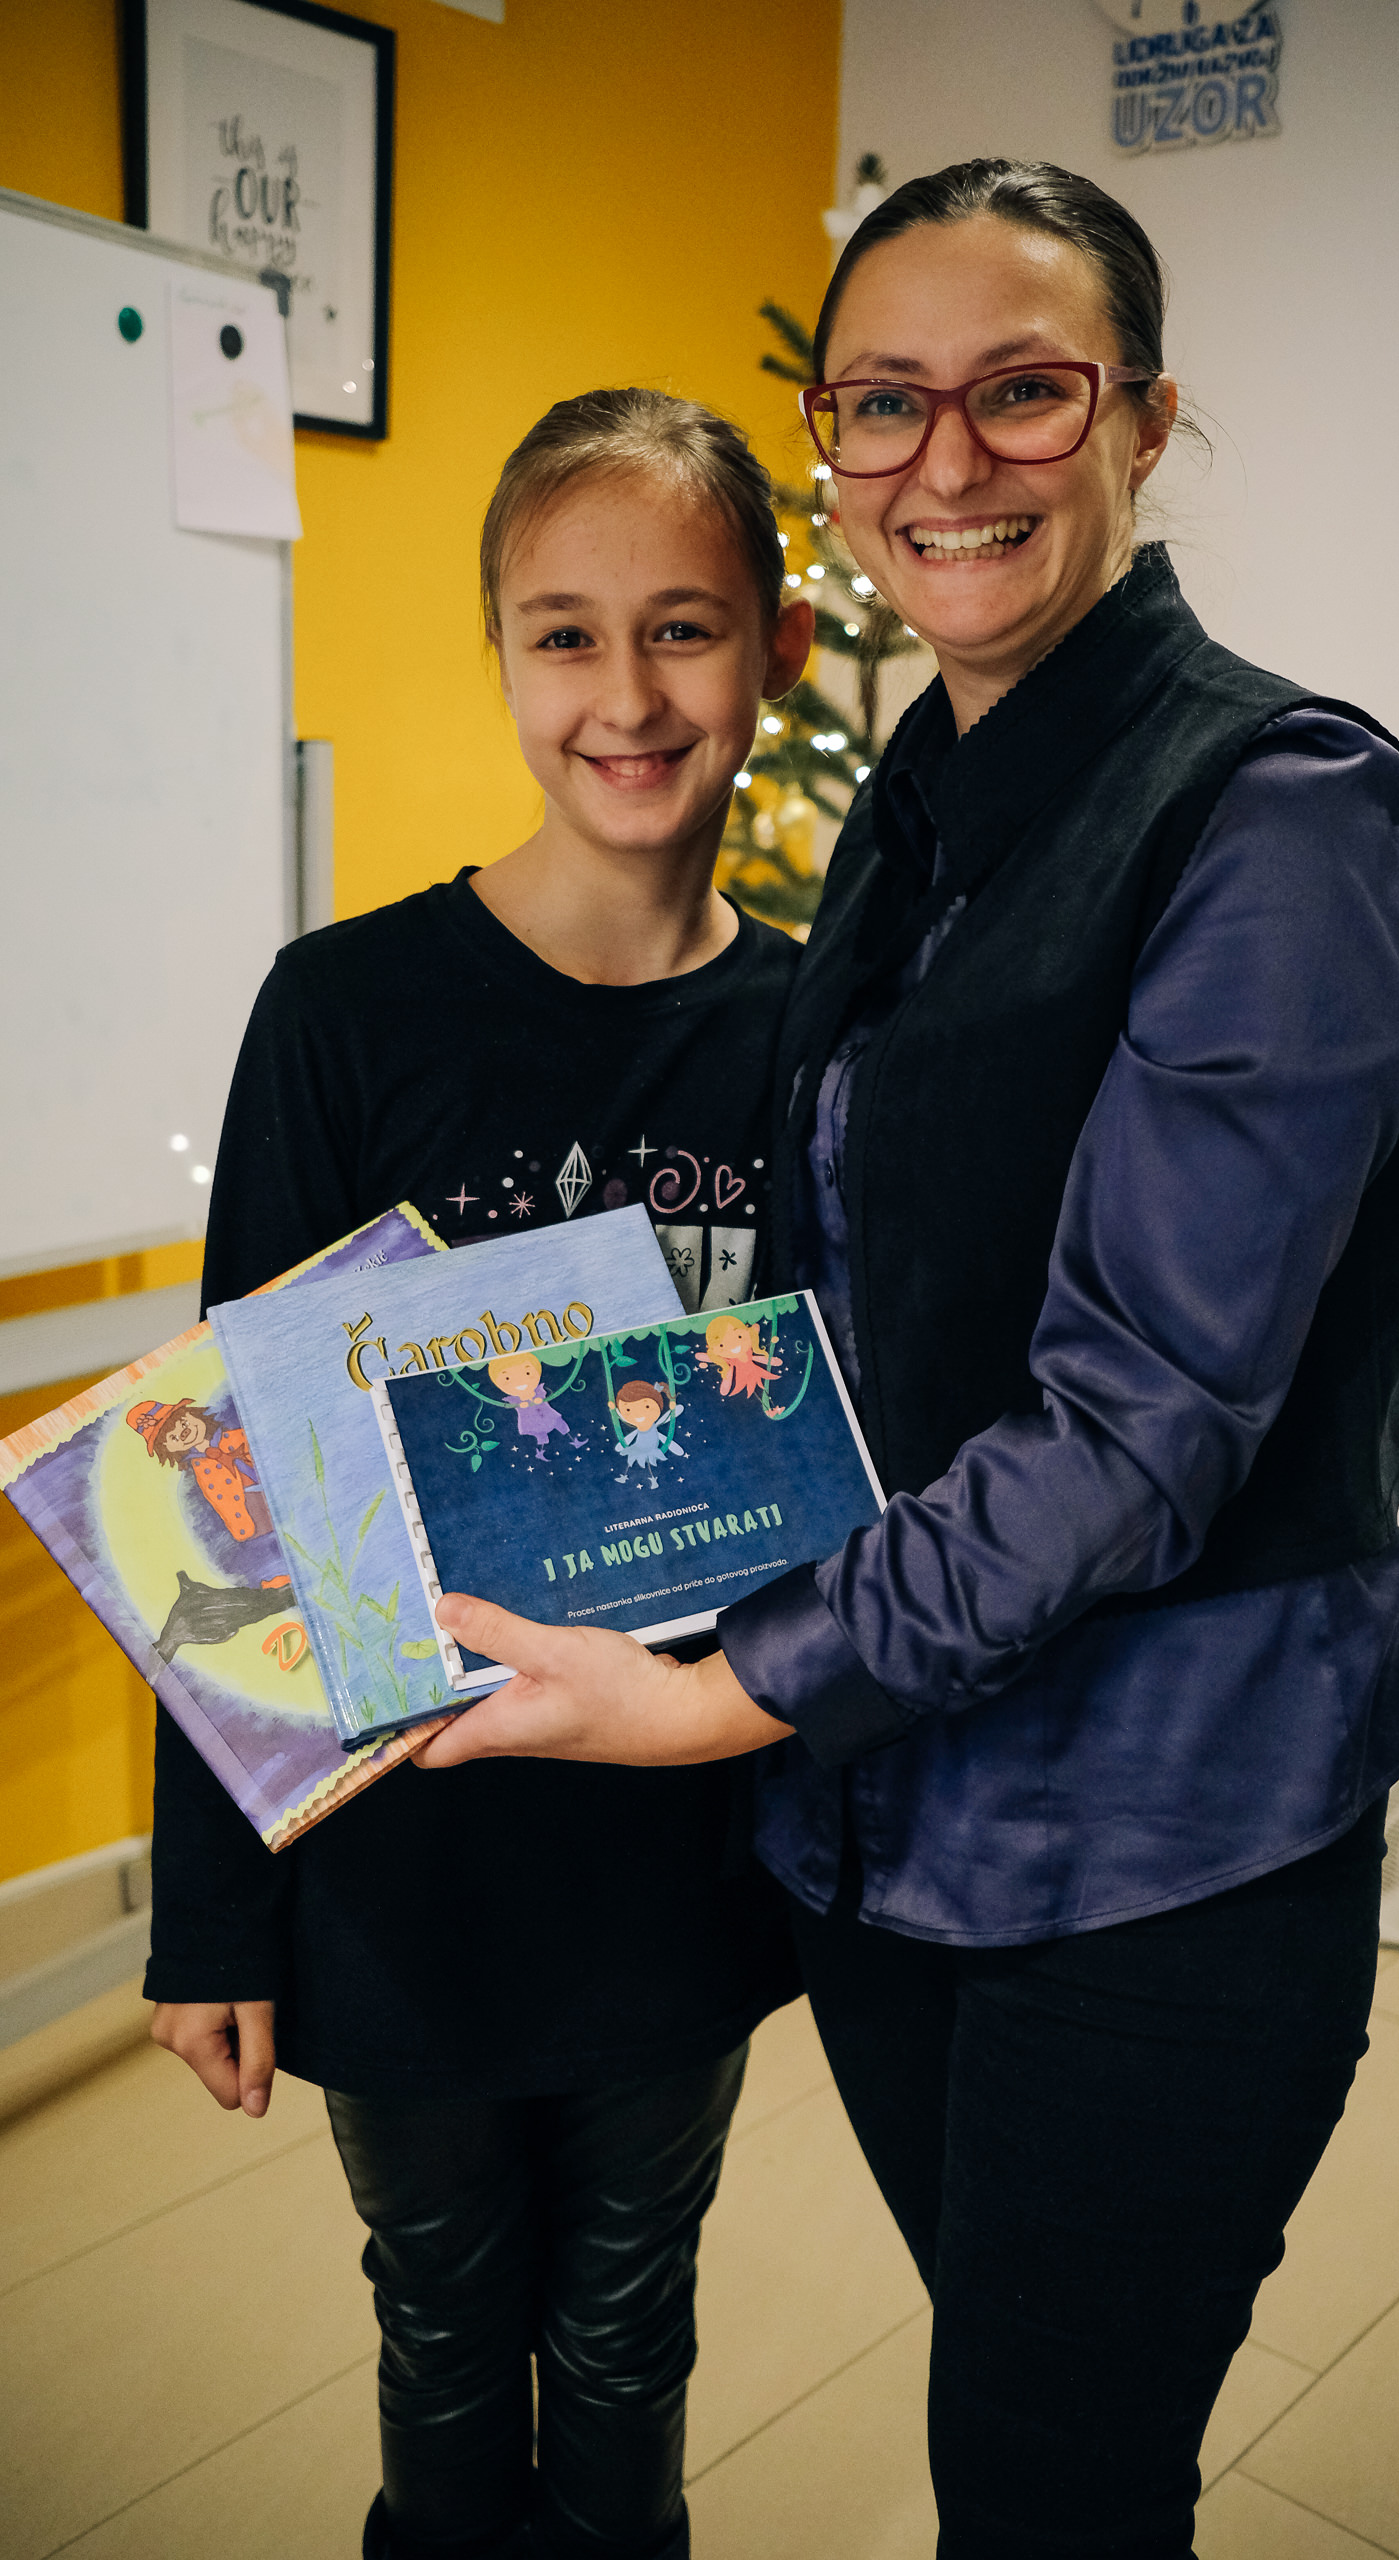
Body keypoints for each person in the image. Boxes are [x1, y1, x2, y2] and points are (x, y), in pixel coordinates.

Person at [414, 161, 1399, 2560]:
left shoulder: (1281, 818)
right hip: (884, 1832)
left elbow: (1137, 1423)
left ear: (1142, 418)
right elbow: (843, 1302)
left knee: (1047, 2489)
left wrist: (717, 1691)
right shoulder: (909, 822)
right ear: (829, 438)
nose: (944, 459)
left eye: (1021, 389)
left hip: (1156, 1855)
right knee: (1005, 2419)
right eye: (879, 402)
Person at [146, 387, 815, 2560]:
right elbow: (236, 1481)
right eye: (565, 635)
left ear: (777, 648)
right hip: (402, 1863)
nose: (627, 697)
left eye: (684, 629)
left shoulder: (817, 1033)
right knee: (441, 2326)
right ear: (502, 653)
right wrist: (215, 1910)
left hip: (678, 1855)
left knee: (629, 2329)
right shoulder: (343, 1013)